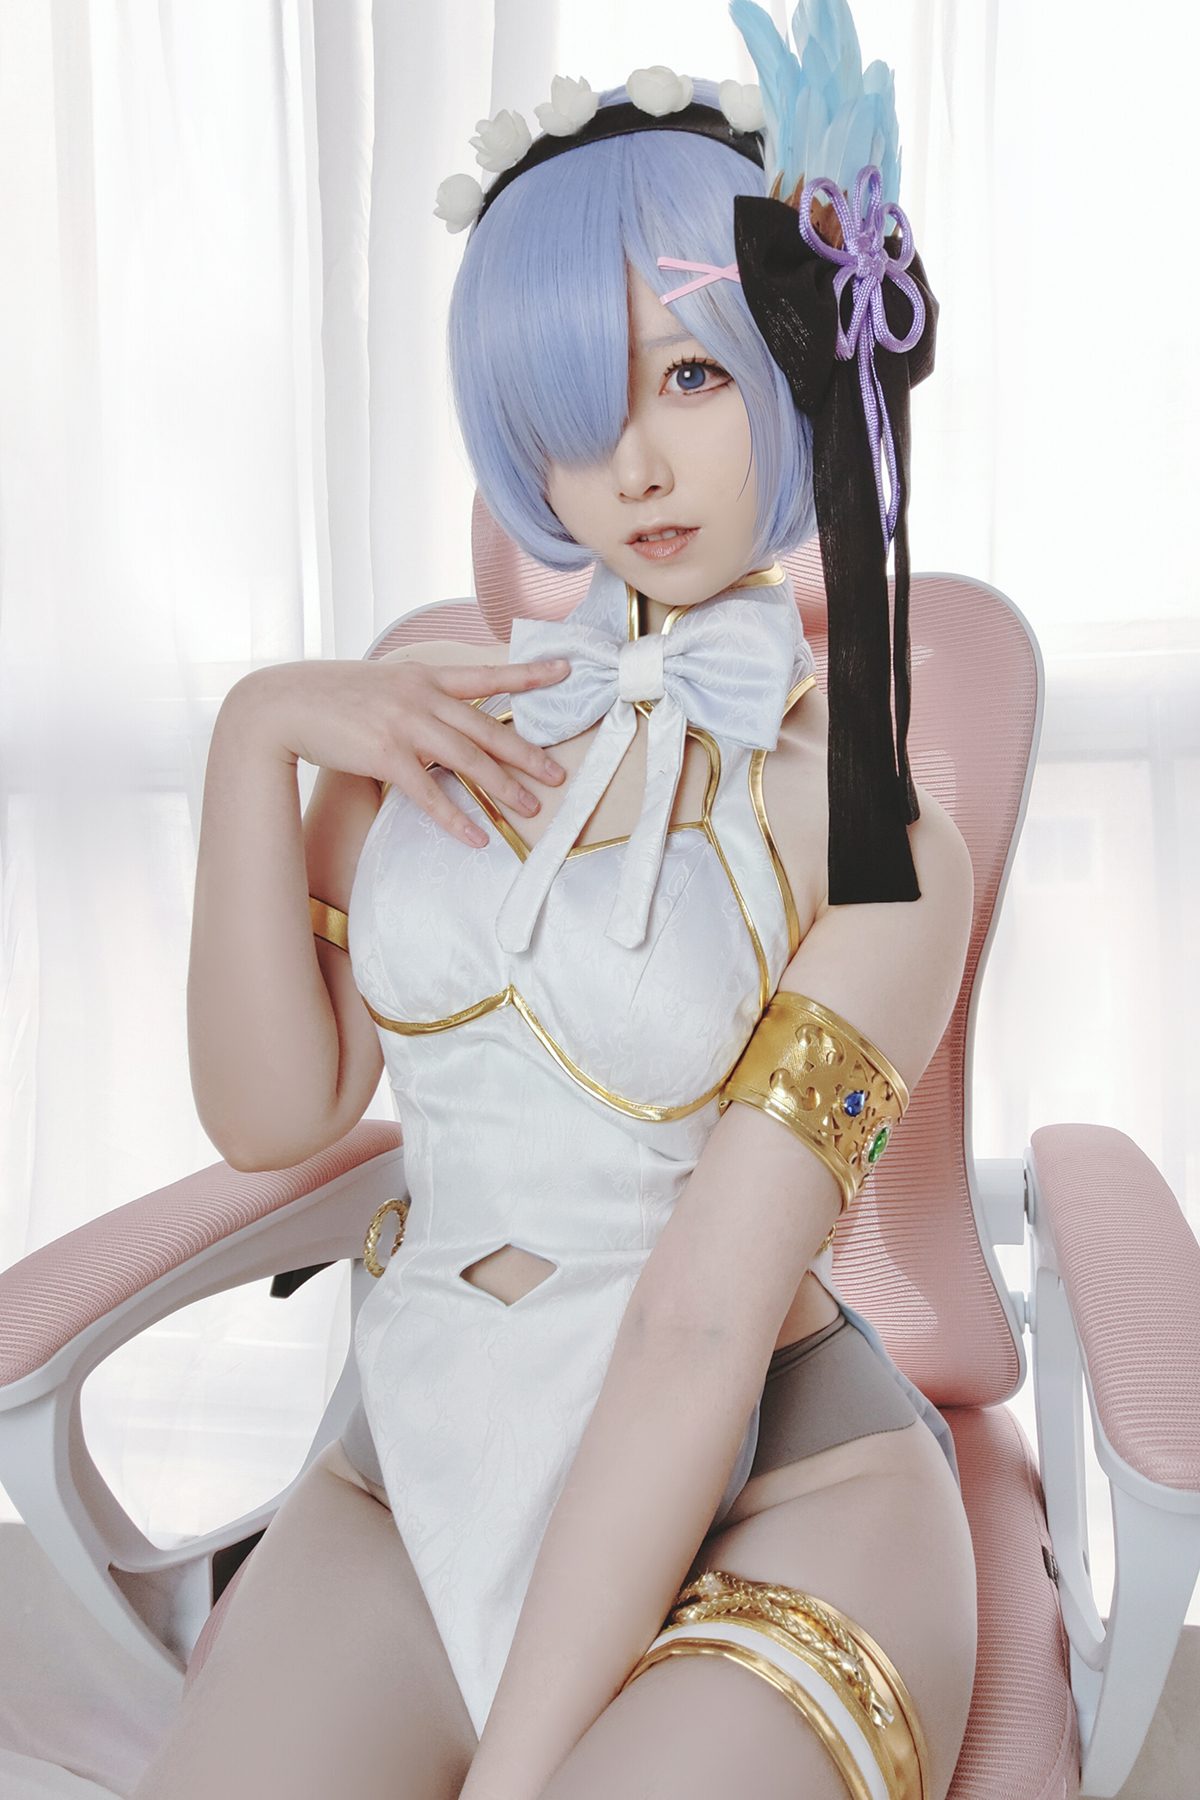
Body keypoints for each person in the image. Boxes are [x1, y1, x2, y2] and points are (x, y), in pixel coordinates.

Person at [132, 6, 978, 1797]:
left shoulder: (872, 830)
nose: (633, 468)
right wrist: (257, 732)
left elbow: (697, 1324)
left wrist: (513, 1775)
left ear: (802, 367)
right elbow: (275, 1115)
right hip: (414, 1459)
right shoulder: (428, 727)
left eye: (691, 378)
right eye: (575, 407)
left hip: (776, 1488)